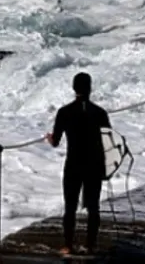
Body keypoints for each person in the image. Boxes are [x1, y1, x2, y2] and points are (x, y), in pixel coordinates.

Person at [44, 71, 111, 255]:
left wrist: (49, 138)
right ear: (90, 88)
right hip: (94, 164)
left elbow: (56, 141)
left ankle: (68, 246)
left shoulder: (64, 112)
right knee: (93, 207)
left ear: (74, 89)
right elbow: (109, 141)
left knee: (70, 206)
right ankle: (90, 245)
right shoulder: (100, 113)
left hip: (73, 163)